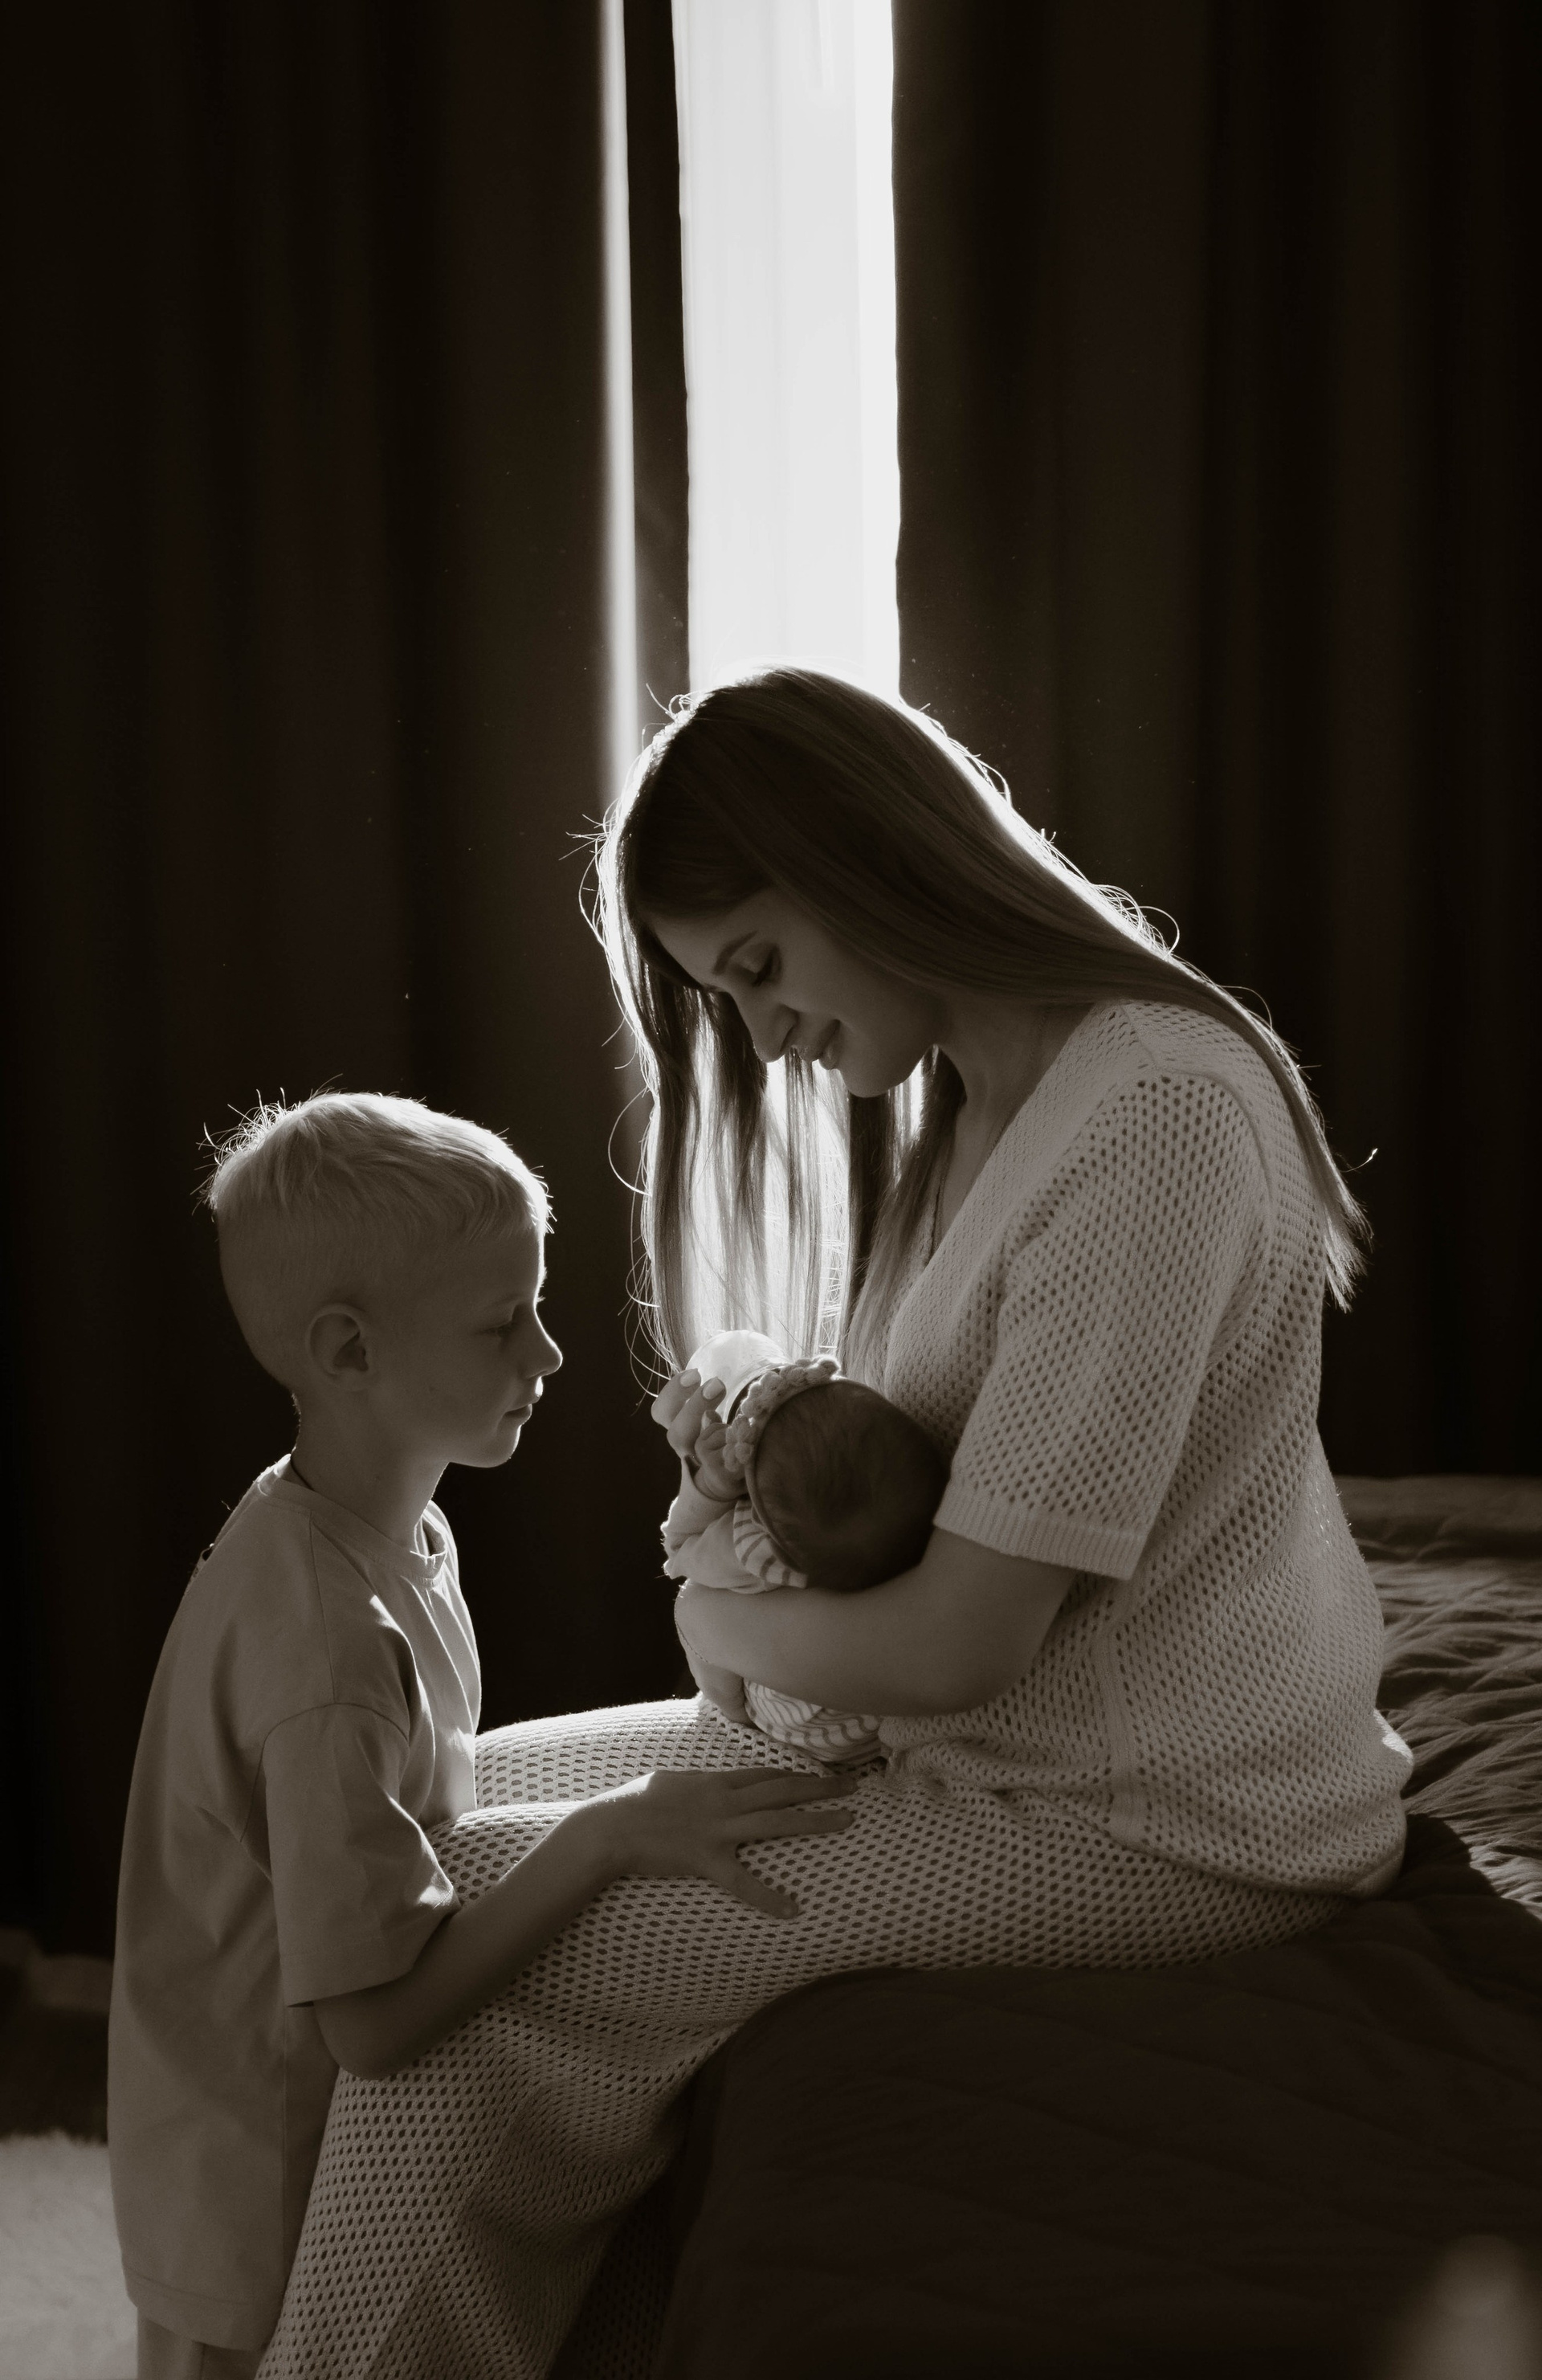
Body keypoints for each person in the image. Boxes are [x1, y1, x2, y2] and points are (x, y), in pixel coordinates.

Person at [259, 671, 1414, 2380]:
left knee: (487, 1916)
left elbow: (962, 1640)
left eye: (757, 967)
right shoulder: (973, 1101)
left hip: (1163, 1813)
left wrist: (717, 1622)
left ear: (869, 856)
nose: (763, 1036)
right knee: (435, 1803)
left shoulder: (1155, 1112)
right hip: (980, 1755)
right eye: (726, 995)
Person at [107, 1092, 854, 2380]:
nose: (549, 1351)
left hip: (281, 2137)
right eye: (503, 1320)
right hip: (251, 2190)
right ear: (349, 1349)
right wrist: (604, 1836)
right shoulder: (326, 1647)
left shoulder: (383, 1530)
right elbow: (371, 2024)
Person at [660, 1328, 949, 1765]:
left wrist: (712, 1489)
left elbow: (679, 1552)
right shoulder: (918, 1522)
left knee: (692, 1603)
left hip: (792, 1726)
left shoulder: (751, 1546)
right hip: (875, 1719)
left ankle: (730, 1711)